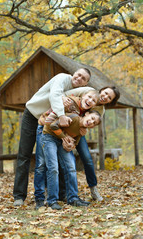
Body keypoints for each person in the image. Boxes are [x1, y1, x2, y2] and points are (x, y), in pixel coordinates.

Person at [13, 68, 91, 206]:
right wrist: (61, 114)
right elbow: (54, 94)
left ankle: (60, 195)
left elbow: (92, 100)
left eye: (83, 78)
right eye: (78, 74)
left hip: (50, 121)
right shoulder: (62, 78)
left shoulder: (79, 93)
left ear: (85, 83)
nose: (79, 78)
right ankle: (19, 196)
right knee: (24, 155)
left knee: (56, 157)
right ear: (74, 74)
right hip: (33, 115)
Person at [34, 90, 99, 209]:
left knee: (71, 167)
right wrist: (64, 137)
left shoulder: (81, 128)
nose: (91, 122)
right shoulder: (72, 111)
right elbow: (50, 124)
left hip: (60, 139)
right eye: (89, 97)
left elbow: (75, 142)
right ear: (86, 114)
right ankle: (51, 200)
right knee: (50, 167)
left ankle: (73, 198)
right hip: (48, 135)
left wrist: (70, 144)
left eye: (94, 122)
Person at [60, 86, 120, 201]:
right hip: (64, 125)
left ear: (110, 102)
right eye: (106, 93)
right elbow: (67, 95)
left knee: (87, 158)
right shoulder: (88, 91)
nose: (105, 97)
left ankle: (93, 189)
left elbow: (93, 122)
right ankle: (62, 192)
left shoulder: (101, 110)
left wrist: (85, 130)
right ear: (102, 90)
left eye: (109, 98)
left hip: (78, 132)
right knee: (66, 158)